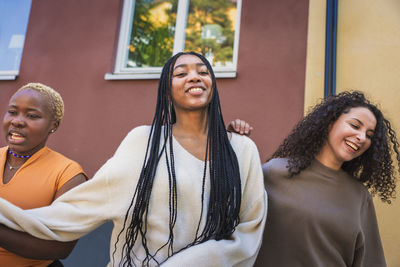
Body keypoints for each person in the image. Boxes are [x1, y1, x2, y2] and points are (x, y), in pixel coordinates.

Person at [0, 52, 267, 266]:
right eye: (181, 73)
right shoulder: (143, 142)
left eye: (203, 72)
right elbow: (80, 207)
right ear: (166, 90)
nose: (194, 77)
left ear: (213, 86)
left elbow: (248, 231)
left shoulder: (242, 149)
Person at [231, 91, 399, 267]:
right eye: (355, 126)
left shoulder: (359, 196)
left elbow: (371, 261)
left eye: (369, 135)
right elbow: (226, 216)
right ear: (329, 123)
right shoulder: (274, 172)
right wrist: (232, 142)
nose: (362, 138)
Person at [0, 83, 87, 266]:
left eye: (32, 116)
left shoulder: (68, 174)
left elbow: (60, 247)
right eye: (13, 112)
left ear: (53, 125)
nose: (17, 121)